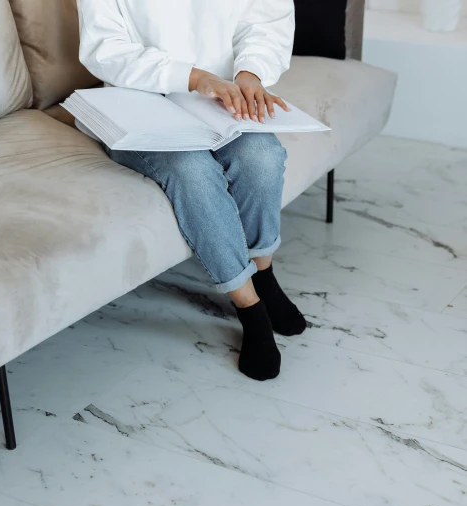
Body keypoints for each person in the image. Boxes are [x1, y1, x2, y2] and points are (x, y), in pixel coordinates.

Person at [76, 0, 306, 381]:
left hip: (221, 99)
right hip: (136, 102)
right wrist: (194, 77)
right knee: (192, 169)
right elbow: (105, 48)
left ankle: (264, 275)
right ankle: (251, 309)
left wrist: (250, 73)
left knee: (262, 156)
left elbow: (266, 18)